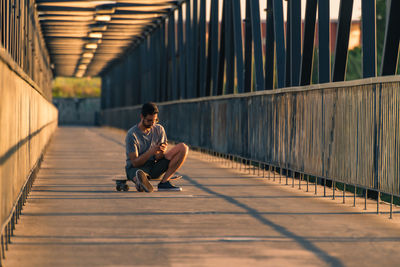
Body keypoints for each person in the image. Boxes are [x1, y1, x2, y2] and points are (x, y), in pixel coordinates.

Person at [125, 102, 189, 192]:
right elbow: (135, 163)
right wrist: (150, 152)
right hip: (136, 168)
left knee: (183, 147)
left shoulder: (159, 129)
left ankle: (164, 182)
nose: (152, 123)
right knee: (137, 173)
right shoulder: (132, 134)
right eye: (149, 120)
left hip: (154, 166)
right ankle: (140, 181)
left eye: (155, 120)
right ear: (142, 117)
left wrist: (161, 152)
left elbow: (158, 157)